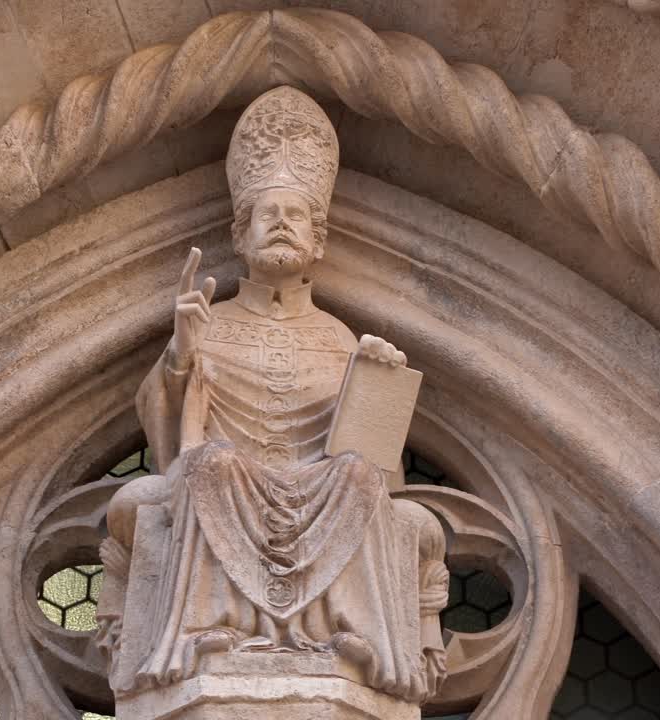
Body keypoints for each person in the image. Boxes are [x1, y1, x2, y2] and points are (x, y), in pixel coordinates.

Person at [97, 86, 448, 705]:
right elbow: (171, 445)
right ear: (241, 235)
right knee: (211, 464)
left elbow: (375, 468)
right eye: (267, 214)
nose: (282, 222)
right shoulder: (208, 325)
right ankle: (207, 627)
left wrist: (376, 386)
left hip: (320, 490)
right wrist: (181, 355)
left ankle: (349, 632)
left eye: (296, 215)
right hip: (225, 481)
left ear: (318, 240)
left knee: (361, 478)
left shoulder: (339, 338)